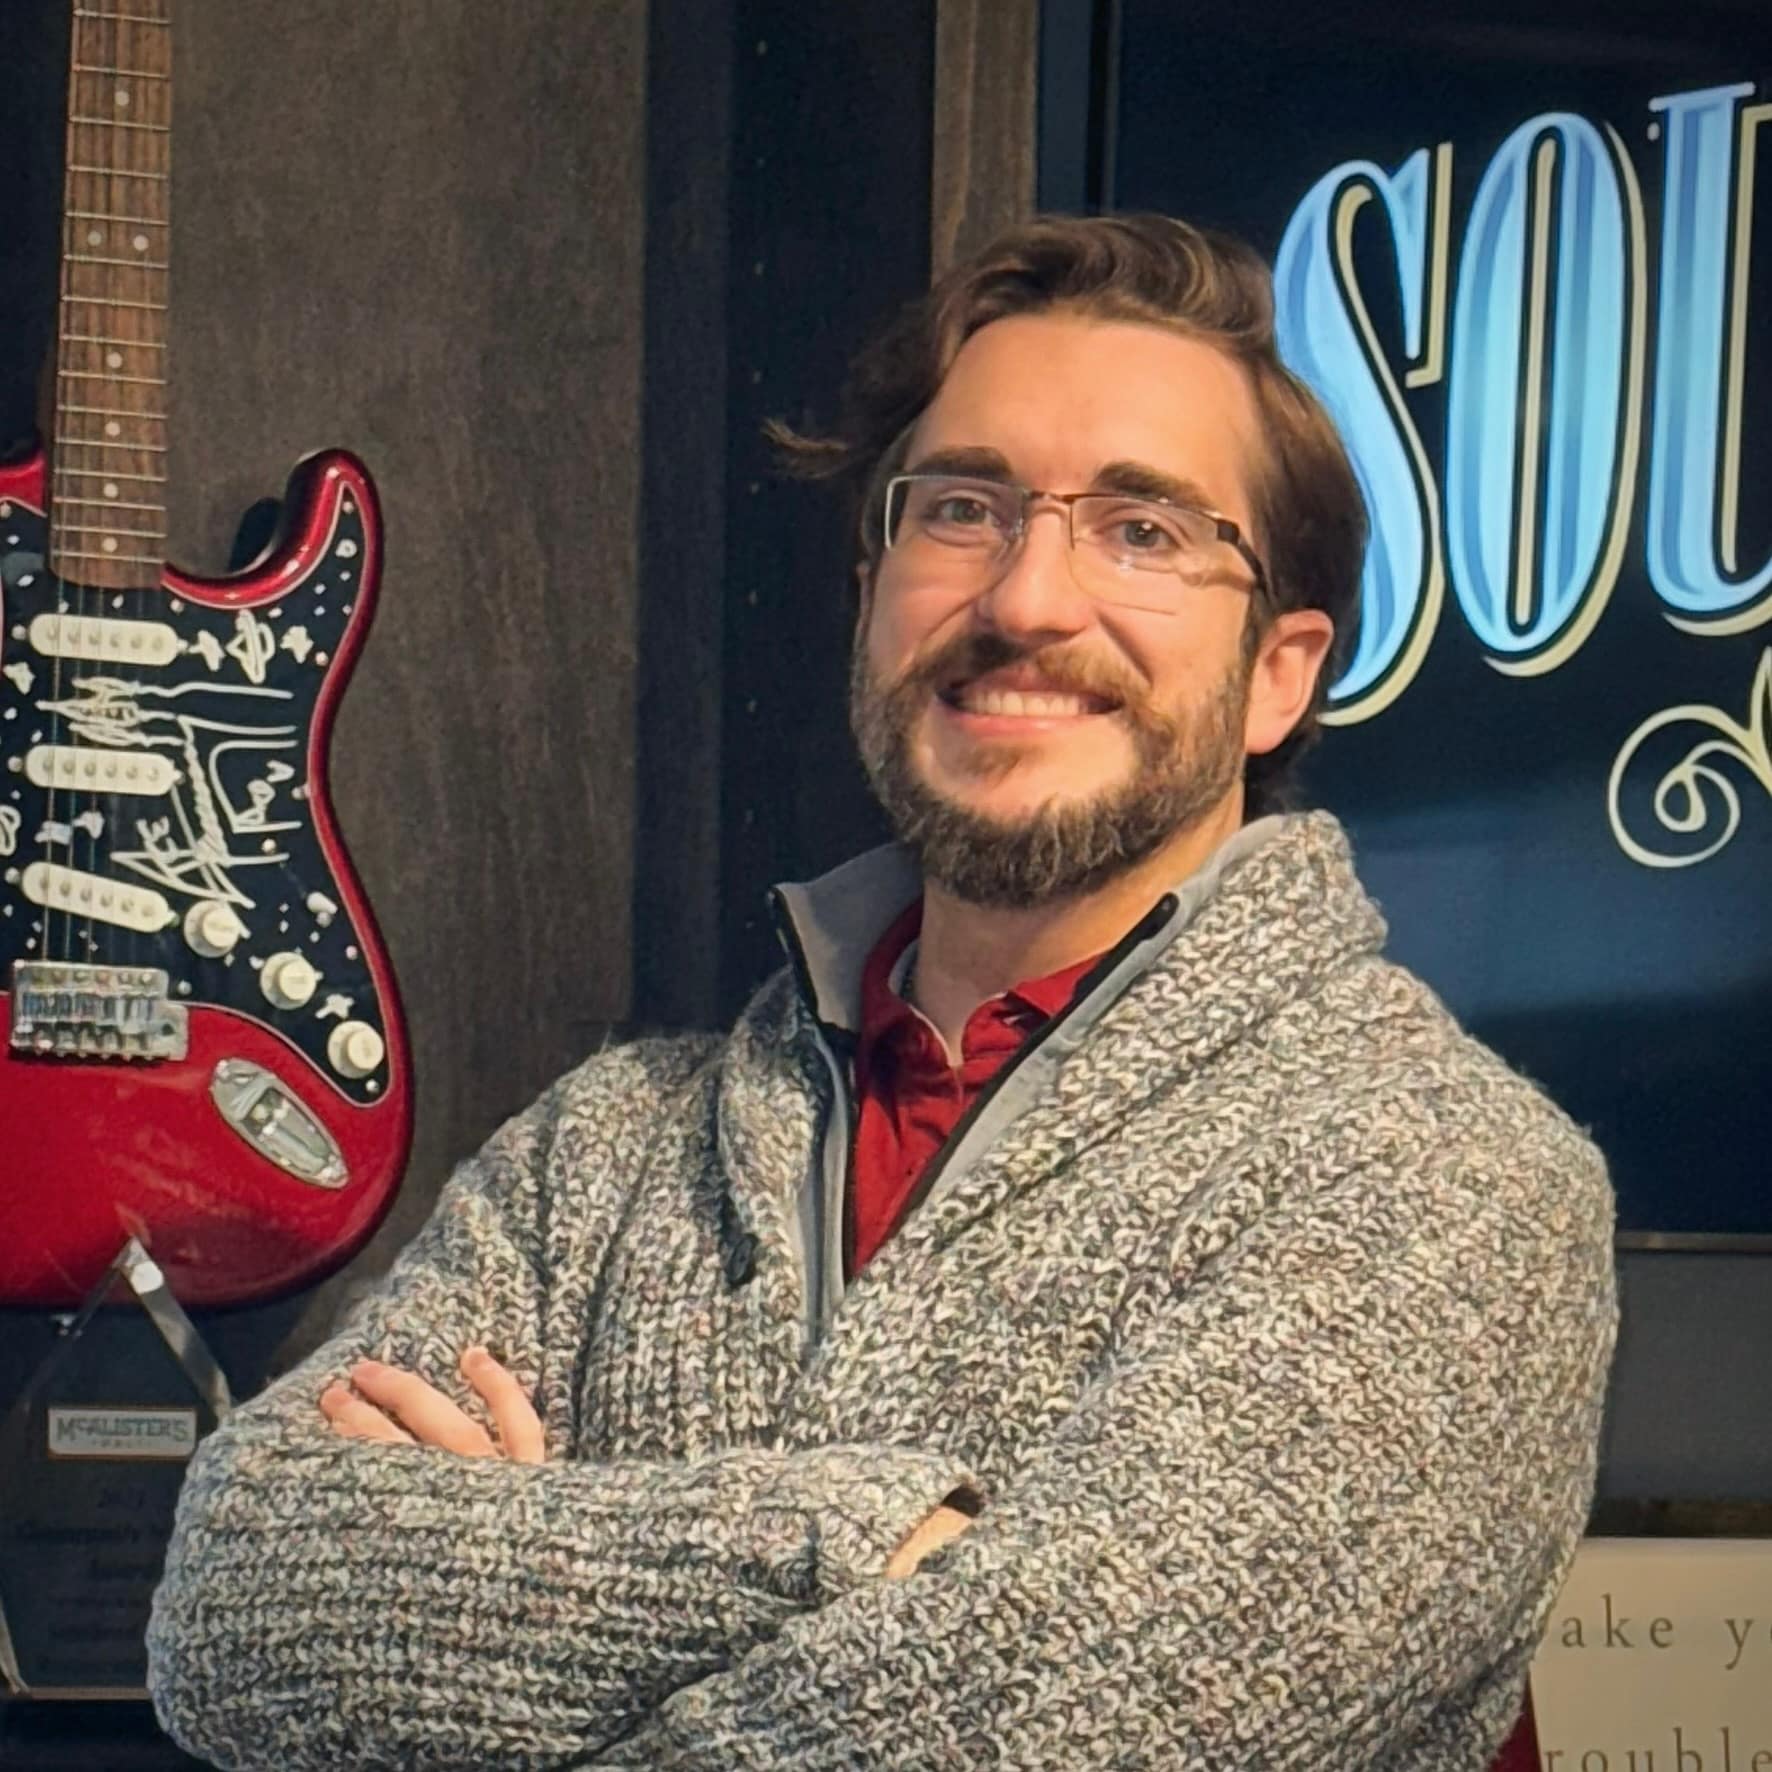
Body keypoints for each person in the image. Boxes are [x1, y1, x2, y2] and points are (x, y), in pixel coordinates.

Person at [147, 214, 1617, 1770]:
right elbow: (233, 1605)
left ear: (1279, 672)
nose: (1028, 600)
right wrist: (864, 1536)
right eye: (964, 509)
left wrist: (509, 1567)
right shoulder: (605, 1150)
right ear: (871, 594)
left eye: (1142, 531)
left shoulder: (1447, 1180)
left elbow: (1067, 1734)